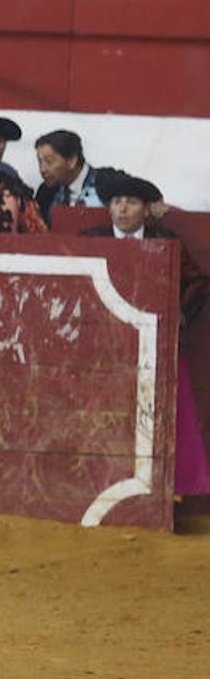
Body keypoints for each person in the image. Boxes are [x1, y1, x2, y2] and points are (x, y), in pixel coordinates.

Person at [80, 173, 210, 503]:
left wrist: (179, 310)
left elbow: (199, 280)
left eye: (132, 203)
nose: (123, 209)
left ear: (146, 210)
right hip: (104, 343)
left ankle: (179, 488)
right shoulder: (90, 238)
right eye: (117, 202)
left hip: (158, 341)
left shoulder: (166, 241)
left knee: (172, 405)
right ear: (108, 207)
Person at [33, 129, 104, 223]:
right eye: (40, 162)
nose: (42, 169)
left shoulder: (105, 185)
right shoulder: (46, 191)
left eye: (49, 162)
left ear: (71, 161)